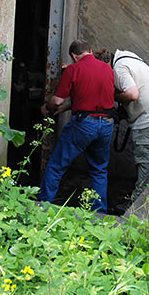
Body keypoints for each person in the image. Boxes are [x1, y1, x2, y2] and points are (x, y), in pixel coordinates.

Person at [37, 39, 115, 213]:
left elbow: (57, 101)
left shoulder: (73, 69)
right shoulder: (107, 69)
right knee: (99, 170)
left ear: (73, 55)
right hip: (107, 124)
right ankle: (99, 213)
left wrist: (47, 107)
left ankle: (42, 207)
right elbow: (94, 97)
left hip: (84, 125)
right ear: (90, 50)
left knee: (56, 166)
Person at [112, 49, 149, 203]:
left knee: (146, 164)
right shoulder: (129, 57)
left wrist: (115, 96)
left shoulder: (119, 69)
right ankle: (145, 199)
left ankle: (138, 207)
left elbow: (133, 94)